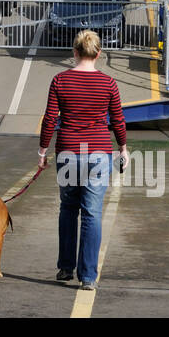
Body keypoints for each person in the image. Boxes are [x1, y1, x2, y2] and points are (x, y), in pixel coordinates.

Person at [38, 29, 127, 291]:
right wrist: (123, 148)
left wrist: (43, 151)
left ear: (74, 52)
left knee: (68, 208)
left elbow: (50, 119)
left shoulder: (60, 81)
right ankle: (87, 277)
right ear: (98, 54)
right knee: (92, 213)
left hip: (68, 153)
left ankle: (66, 267)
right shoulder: (109, 84)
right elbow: (118, 120)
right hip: (99, 152)